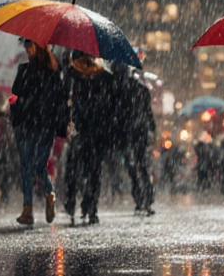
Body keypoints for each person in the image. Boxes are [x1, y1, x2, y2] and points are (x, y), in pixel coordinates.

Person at [10, 39, 69, 225]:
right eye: (26, 46)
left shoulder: (47, 71)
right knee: (31, 165)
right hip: (35, 124)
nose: (27, 49)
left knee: (34, 165)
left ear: (39, 47)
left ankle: (42, 199)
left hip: (38, 124)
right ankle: (32, 205)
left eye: (30, 45)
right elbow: (16, 90)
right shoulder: (38, 70)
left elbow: (58, 99)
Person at [63, 52, 116, 224]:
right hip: (95, 133)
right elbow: (110, 107)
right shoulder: (102, 76)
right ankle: (90, 206)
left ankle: (76, 203)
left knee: (76, 169)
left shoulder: (74, 76)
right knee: (93, 172)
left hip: (84, 132)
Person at [111, 62, 156, 216]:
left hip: (127, 132)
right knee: (141, 164)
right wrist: (151, 128)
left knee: (132, 165)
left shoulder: (119, 90)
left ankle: (140, 196)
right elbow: (148, 113)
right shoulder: (142, 90)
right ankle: (147, 197)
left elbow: (117, 113)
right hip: (139, 132)